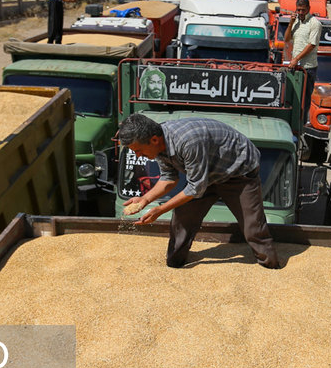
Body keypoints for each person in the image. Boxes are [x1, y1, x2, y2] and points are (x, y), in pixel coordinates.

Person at [118, 113, 280, 269]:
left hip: (237, 171)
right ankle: (174, 263)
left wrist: (160, 209)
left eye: (138, 150)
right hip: (205, 174)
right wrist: (145, 199)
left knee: (252, 226)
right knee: (182, 216)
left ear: (154, 139)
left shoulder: (188, 141)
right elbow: (169, 178)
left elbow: (196, 187)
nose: (138, 156)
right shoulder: (157, 145)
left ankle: (270, 265)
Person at [283, 0, 322, 119]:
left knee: (304, 100)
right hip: (296, 67)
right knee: (292, 97)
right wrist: (290, 23)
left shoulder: (315, 23)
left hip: (307, 68)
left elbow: (311, 45)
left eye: (303, 10)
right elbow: (287, 39)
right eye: (298, 10)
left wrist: (296, 59)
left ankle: (301, 124)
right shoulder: (296, 22)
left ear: (308, 9)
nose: (300, 13)